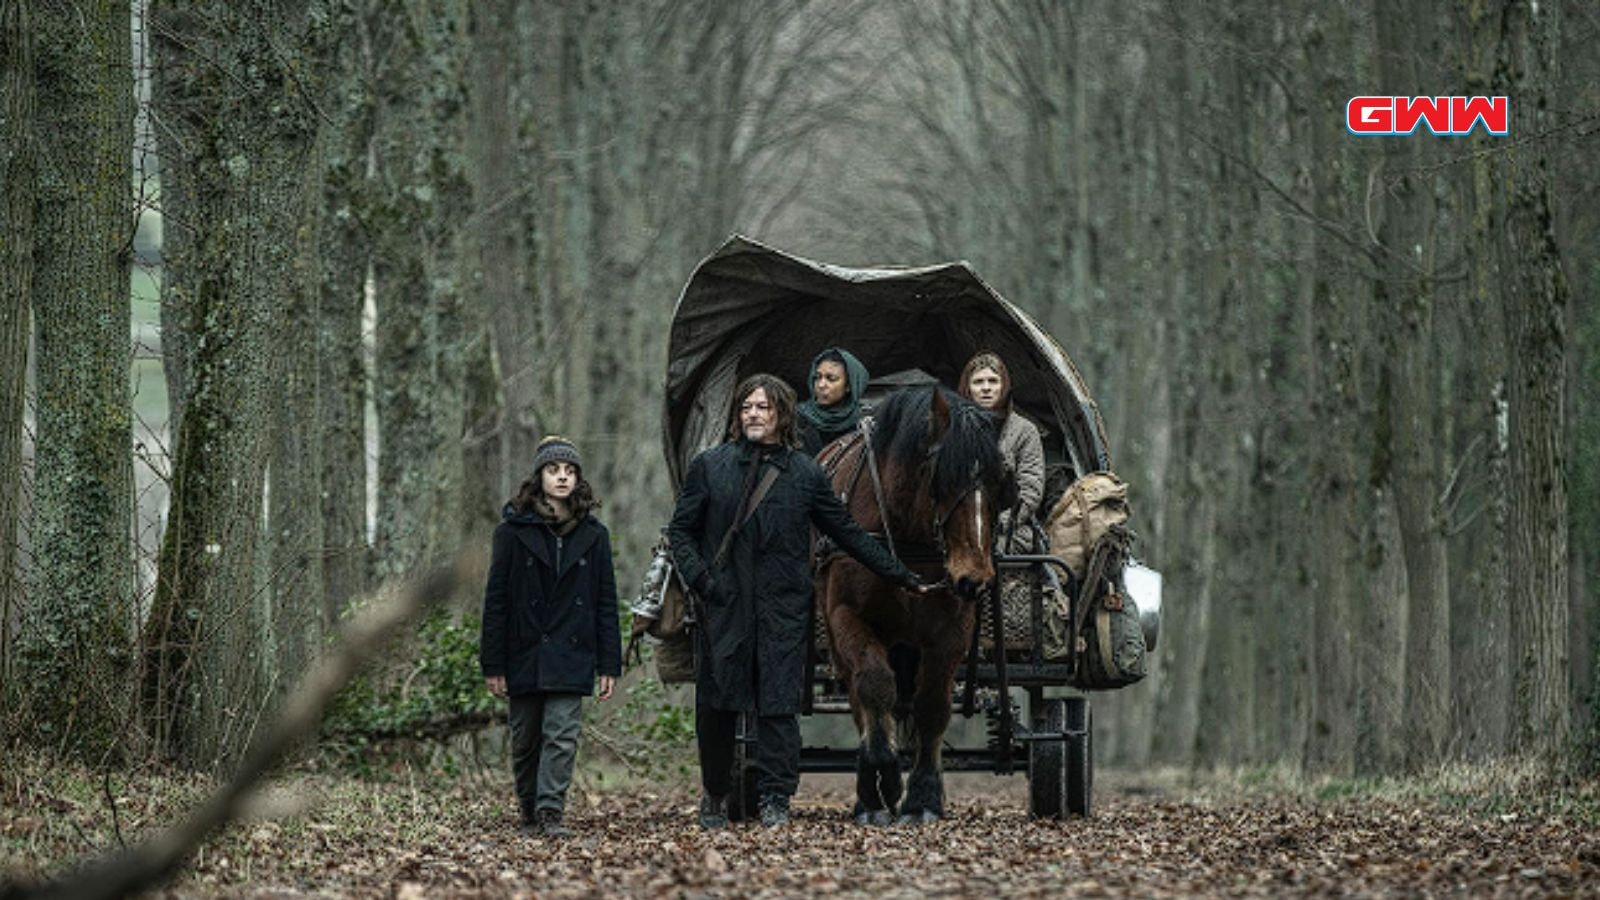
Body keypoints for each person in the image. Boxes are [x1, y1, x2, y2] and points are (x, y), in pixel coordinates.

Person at [668, 373, 926, 829]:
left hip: (784, 607)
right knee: (716, 706)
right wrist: (703, 581)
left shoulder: (806, 473)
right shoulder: (710, 466)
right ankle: (715, 796)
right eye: (747, 406)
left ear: (782, 415)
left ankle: (775, 799)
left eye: (763, 407)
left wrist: (897, 572)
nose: (753, 414)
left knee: (779, 706)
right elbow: (682, 533)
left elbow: (845, 532)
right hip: (723, 604)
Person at [480, 436, 621, 839]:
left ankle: (549, 812)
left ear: (578, 479)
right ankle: (528, 809)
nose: (562, 477)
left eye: (570, 471)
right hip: (522, 649)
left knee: (561, 734)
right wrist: (493, 663)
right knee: (525, 738)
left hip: (572, 650)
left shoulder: (595, 535)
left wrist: (609, 662)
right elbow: (497, 600)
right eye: (554, 470)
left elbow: (604, 601)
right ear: (539, 476)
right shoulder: (511, 531)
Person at [959, 351, 1046, 544]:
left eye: (993, 381)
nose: (986, 388)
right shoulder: (952, 430)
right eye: (978, 382)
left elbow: (1030, 488)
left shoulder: (1024, 431)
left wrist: (999, 523)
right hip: (957, 527)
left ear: (1003, 386)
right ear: (968, 388)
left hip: (1007, 530)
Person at [796, 347, 870, 455]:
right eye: (817, 377)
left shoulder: (864, 422)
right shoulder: (796, 420)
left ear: (849, 385)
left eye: (831, 379)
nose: (821, 385)